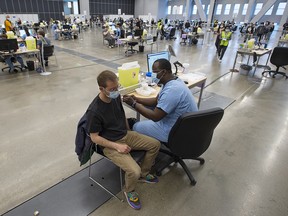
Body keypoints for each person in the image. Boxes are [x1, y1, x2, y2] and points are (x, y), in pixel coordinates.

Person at [87, 70, 160, 210]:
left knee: (155, 145)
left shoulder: (115, 97)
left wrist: (130, 133)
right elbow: (94, 137)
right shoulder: (94, 111)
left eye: (117, 87)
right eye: (112, 89)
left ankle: (144, 174)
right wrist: (117, 146)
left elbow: (122, 116)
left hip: (125, 134)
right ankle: (129, 190)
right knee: (134, 170)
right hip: (110, 144)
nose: (116, 91)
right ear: (101, 89)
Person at [123, 59, 198, 143]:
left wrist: (134, 104)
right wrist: (137, 99)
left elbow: (155, 116)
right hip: (183, 125)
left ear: (164, 72)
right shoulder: (172, 81)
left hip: (175, 131)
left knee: (136, 126)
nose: (153, 75)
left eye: (155, 72)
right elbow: (156, 101)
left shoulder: (172, 89)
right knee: (144, 121)